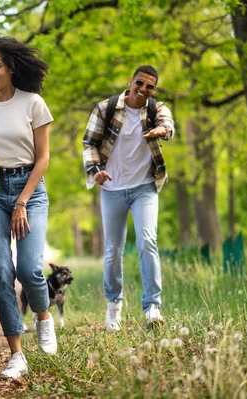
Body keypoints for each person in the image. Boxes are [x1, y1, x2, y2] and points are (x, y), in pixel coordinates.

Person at [0, 36, 57, 378]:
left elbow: (43, 158)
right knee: (0, 272)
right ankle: (16, 354)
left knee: (29, 268)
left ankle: (43, 315)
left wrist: (21, 202)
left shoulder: (33, 103)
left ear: (12, 67)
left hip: (29, 190)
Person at [82, 65, 175, 332]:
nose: (144, 90)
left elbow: (168, 124)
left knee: (148, 242)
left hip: (145, 186)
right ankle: (114, 305)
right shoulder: (106, 108)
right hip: (112, 189)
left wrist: (162, 131)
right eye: (140, 83)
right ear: (131, 82)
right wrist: (95, 170)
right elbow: (89, 143)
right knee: (113, 251)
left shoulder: (156, 109)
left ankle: (152, 307)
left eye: (150, 86)